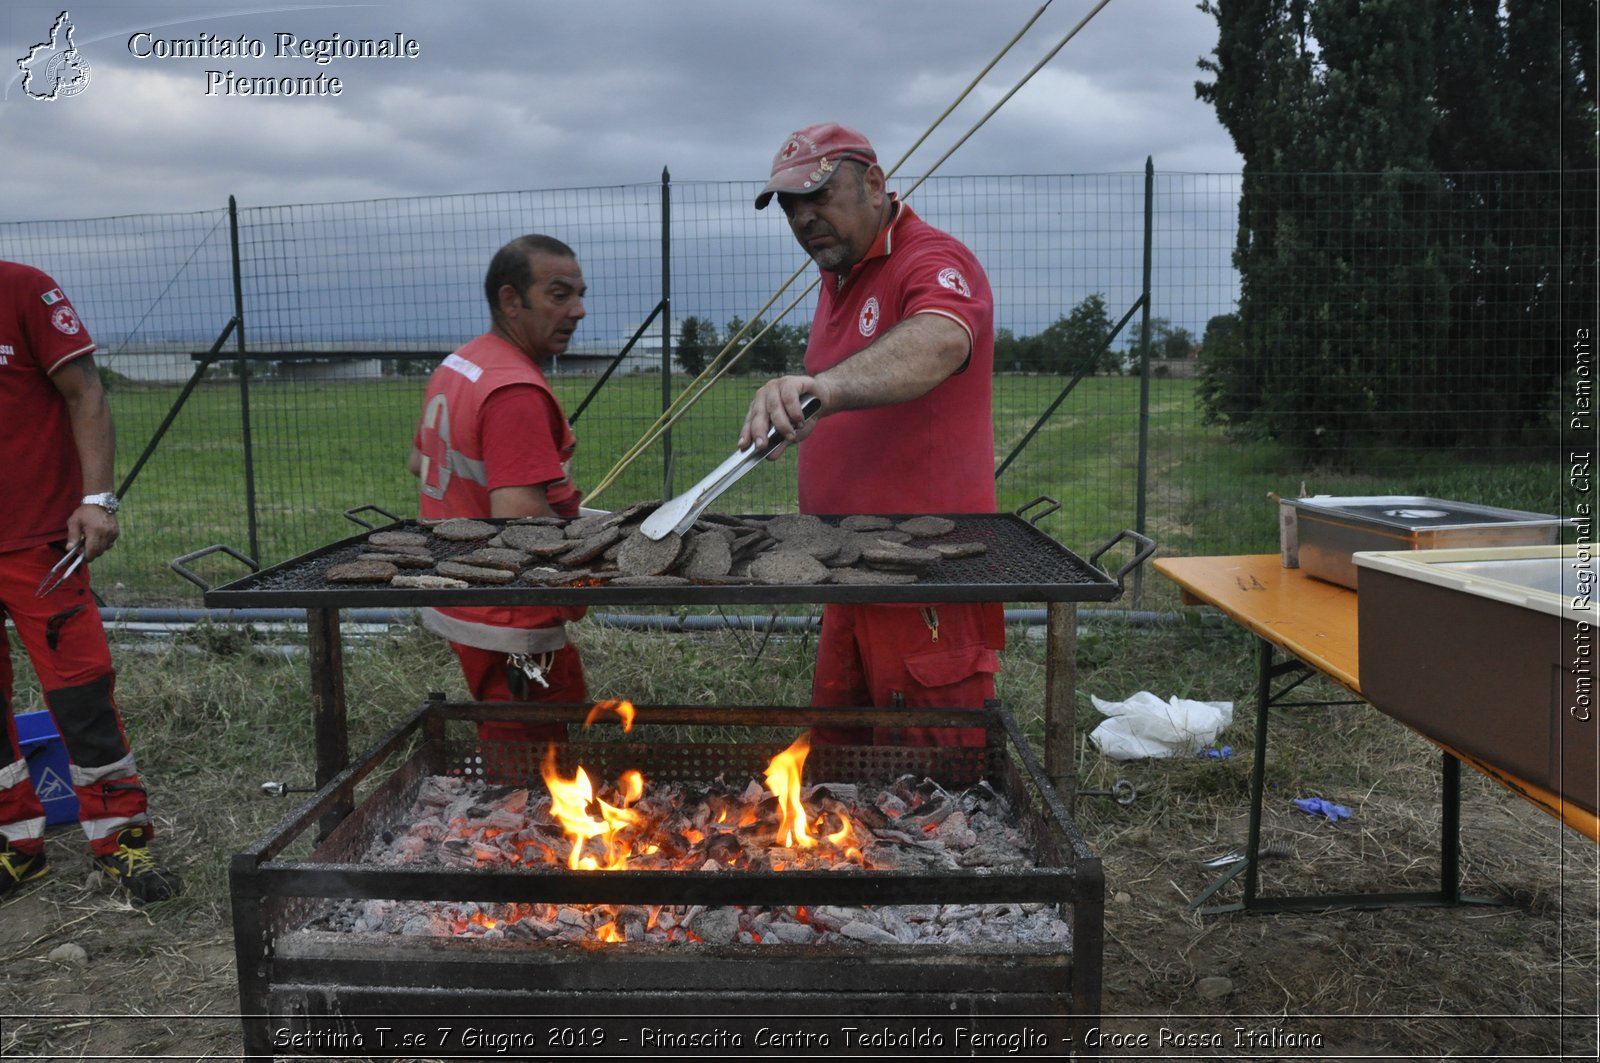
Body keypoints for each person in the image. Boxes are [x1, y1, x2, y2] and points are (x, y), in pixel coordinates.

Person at [739, 122, 1005, 748]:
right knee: (841, 767)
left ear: (876, 183)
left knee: (940, 787)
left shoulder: (931, 258)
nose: (804, 218)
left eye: (820, 195)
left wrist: (824, 388)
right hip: (849, 574)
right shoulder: (840, 279)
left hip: (925, 578)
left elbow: (939, 338)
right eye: (790, 206)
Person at [0, 260, 182, 904]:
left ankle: (120, 842)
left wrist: (97, 498)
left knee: (81, 699)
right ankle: (16, 848)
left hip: (40, 544)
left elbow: (86, 393)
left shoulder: (23, 288)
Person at [409, 235, 589, 744]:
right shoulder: (515, 391)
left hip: (461, 591)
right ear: (511, 300)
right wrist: (582, 582)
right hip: (510, 613)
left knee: (505, 713)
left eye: (579, 294)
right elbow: (521, 522)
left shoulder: (460, 364)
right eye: (559, 294)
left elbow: (419, 461)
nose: (577, 310)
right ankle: (516, 815)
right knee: (528, 739)